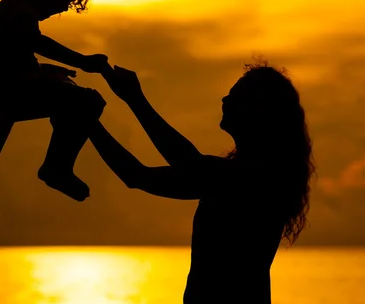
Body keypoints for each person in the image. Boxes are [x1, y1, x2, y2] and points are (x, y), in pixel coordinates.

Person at [91, 59, 316, 303]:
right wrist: (88, 121)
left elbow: (186, 161)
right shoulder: (228, 180)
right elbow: (136, 176)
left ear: (257, 111)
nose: (224, 100)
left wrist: (135, 99)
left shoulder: (256, 179)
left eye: (234, 96)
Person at [0, 0, 110, 202]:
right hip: (11, 93)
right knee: (87, 101)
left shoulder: (14, 11)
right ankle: (57, 167)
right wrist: (83, 61)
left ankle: (58, 166)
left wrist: (47, 71)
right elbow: (36, 43)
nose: (65, 8)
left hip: (15, 86)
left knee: (77, 96)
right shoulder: (16, 11)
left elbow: (16, 55)